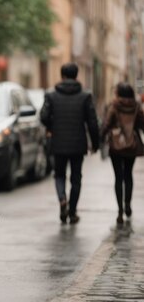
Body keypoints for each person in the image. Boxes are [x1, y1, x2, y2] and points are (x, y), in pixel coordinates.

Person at [40, 63, 99, 224]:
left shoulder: (51, 95)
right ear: (76, 75)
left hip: (58, 142)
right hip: (78, 144)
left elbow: (43, 116)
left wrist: (52, 127)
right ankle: (72, 212)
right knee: (76, 178)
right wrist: (95, 143)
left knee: (59, 175)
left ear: (62, 76)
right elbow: (92, 122)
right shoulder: (85, 96)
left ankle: (62, 200)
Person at [100, 82, 144, 224]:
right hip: (131, 145)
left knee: (118, 177)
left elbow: (106, 124)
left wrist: (99, 139)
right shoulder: (136, 106)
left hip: (116, 146)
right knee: (128, 175)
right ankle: (128, 205)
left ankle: (119, 211)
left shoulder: (114, 106)